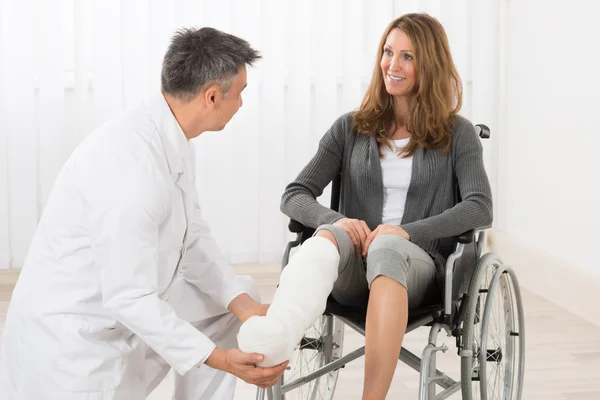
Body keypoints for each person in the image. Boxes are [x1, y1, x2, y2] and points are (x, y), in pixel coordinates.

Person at [0, 27, 287, 400]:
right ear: (212, 96)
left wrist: (247, 308)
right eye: (241, 93)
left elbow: (193, 235)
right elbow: (128, 297)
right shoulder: (133, 169)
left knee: (235, 298)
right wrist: (218, 359)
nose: (242, 104)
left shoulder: (172, 138)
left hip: (124, 303)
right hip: (74, 344)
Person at [280, 13, 493, 400]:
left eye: (407, 57)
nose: (392, 65)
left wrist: (408, 231)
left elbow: (480, 207)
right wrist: (338, 221)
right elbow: (295, 194)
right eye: (388, 52)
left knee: (388, 245)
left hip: (416, 270)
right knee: (327, 236)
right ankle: (271, 340)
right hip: (351, 273)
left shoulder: (458, 133)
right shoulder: (350, 128)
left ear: (429, 63)